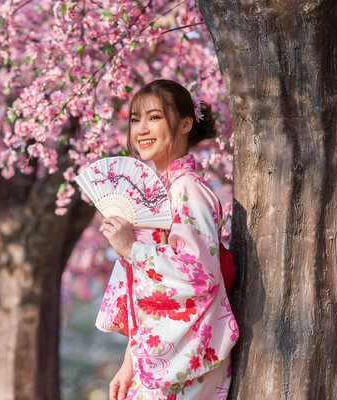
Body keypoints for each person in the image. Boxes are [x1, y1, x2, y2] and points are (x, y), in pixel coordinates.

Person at [97, 79, 239, 400]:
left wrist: (132, 249)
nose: (141, 129)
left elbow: (197, 273)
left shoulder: (187, 189)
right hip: (162, 354)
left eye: (154, 117)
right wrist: (129, 362)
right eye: (135, 119)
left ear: (186, 123)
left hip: (187, 356)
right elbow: (142, 294)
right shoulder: (161, 194)